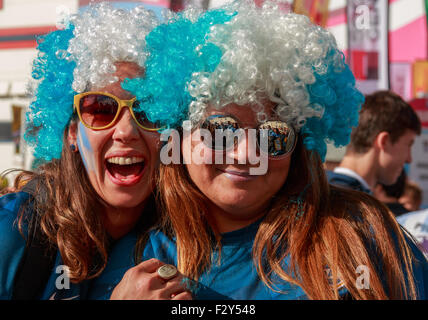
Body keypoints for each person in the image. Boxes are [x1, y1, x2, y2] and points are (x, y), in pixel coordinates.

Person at [110, 1, 428, 300]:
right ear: (181, 132)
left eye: (274, 134)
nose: (248, 153)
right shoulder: (136, 258)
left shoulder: (362, 238)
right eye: (221, 130)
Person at [0, 3, 190, 300]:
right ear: (73, 132)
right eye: (101, 109)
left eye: (149, 111)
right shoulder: (13, 231)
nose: (126, 131)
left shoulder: (180, 237)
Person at [327, 91, 421, 195]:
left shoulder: (322, 192)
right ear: (384, 141)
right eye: (408, 145)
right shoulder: (350, 202)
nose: (409, 159)